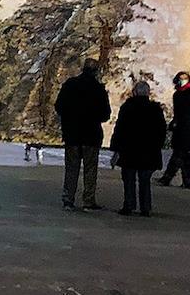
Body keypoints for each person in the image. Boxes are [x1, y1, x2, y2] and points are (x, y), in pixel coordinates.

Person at [55, 58, 111, 211]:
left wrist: (69, 119)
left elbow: (59, 106)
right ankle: (88, 200)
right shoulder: (98, 89)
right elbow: (105, 114)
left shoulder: (70, 85)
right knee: (90, 170)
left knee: (71, 169)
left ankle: (68, 199)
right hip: (91, 135)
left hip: (72, 134)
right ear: (95, 71)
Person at [108, 81, 166, 217]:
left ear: (134, 92)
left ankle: (129, 205)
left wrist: (116, 148)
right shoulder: (155, 109)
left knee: (129, 179)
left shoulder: (127, 107)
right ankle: (145, 208)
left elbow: (120, 129)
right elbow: (161, 131)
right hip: (148, 151)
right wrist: (157, 146)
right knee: (145, 180)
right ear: (148, 93)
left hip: (129, 151)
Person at [157, 70, 190, 189]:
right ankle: (189, 181)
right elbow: (178, 114)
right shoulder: (177, 95)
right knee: (183, 155)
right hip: (180, 129)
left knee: (179, 154)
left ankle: (167, 177)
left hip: (187, 130)